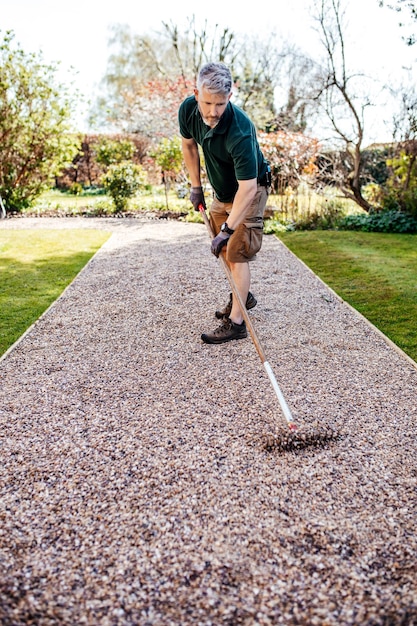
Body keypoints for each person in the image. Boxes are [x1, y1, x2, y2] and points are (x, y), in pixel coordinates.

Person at [178, 61, 270, 344]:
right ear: (196, 93)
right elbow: (189, 145)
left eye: (220, 104)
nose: (212, 111)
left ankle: (237, 324)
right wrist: (196, 186)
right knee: (223, 251)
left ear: (230, 97)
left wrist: (227, 230)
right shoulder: (188, 111)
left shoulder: (240, 130)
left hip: (250, 191)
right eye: (207, 103)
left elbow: (249, 186)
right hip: (222, 193)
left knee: (234, 252)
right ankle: (244, 296)